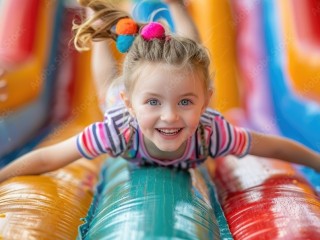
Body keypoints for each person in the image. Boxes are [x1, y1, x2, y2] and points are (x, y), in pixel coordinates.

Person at [0, 0, 320, 184]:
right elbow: (47, 157)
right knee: (106, 86)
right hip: (120, 101)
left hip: (154, 95)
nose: (170, 116)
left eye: (186, 102)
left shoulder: (210, 131)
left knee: (195, 57)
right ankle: (99, 34)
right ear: (132, 103)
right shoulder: (119, 129)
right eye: (154, 102)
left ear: (207, 100)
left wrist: (315, 161)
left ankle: (177, 6)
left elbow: (274, 148)